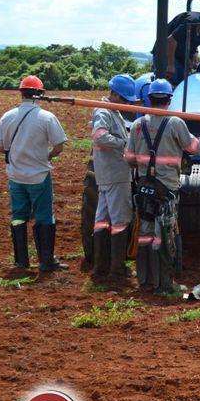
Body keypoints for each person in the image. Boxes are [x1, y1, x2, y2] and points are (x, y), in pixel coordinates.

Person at [125, 79, 200, 294]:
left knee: (145, 235)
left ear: (150, 98)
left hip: (143, 190)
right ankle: (164, 284)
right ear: (169, 100)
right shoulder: (175, 123)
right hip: (166, 191)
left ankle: (145, 282)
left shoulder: (138, 125)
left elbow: (129, 158)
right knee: (164, 235)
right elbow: (195, 148)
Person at [0, 75, 69, 272]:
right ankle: (46, 261)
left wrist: (16, 152)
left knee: (19, 215)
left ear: (21, 93)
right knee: (44, 215)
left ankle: (21, 261)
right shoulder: (47, 117)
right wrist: (47, 156)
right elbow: (59, 145)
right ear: (40, 94)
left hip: (15, 176)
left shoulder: (7, 116)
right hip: (39, 175)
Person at [90, 74, 140, 280]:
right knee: (119, 221)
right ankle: (117, 270)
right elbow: (100, 135)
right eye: (125, 99)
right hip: (115, 174)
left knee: (102, 220)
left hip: (108, 174)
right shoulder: (104, 111)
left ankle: (101, 267)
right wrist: (125, 144)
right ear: (113, 94)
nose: (127, 103)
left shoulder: (112, 111)